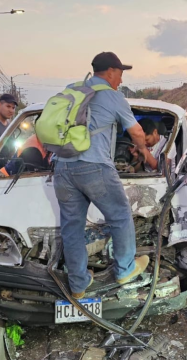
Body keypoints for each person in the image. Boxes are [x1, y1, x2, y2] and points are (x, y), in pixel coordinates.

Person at [53, 51, 150, 299]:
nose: (120, 79)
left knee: (71, 227)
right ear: (110, 72)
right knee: (120, 215)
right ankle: (126, 269)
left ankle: (78, 285)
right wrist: (141, 149)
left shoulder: (72, 90)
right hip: (94, 165)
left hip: (63, 167)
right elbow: (137, 132)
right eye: (120, 73)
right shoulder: (113, 96)